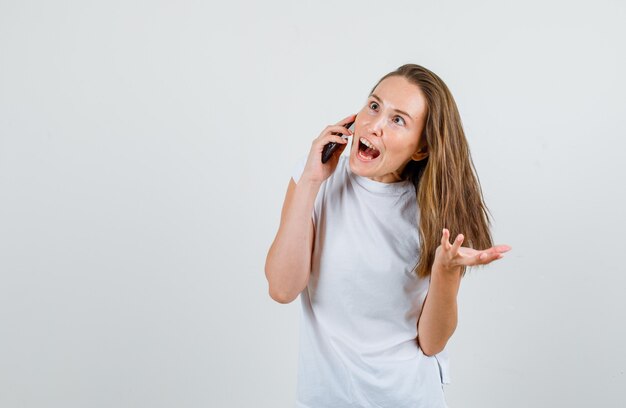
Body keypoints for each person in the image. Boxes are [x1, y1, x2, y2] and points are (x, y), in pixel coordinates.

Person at [265, 63, 512, 408]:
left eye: (398, 120)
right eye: (374, 106)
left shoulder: (432, 213)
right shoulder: (316, 178)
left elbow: (431, 343)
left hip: (407, 397)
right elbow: (282, 288)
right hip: (324, 397)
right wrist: (310, 181)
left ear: (420, 149)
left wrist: (445, 270)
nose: (374, 125)